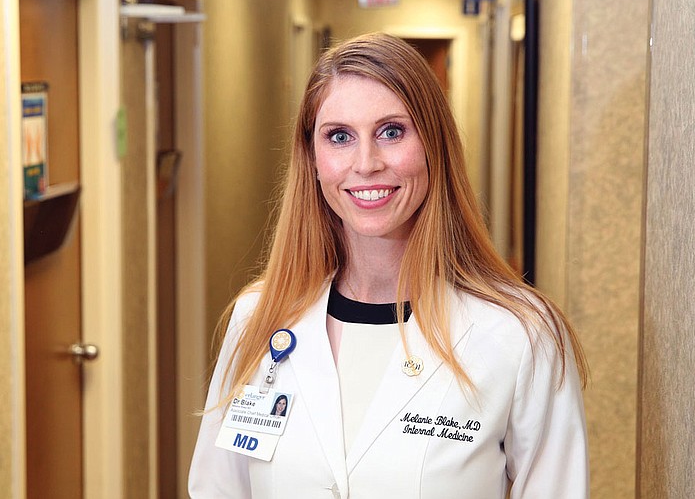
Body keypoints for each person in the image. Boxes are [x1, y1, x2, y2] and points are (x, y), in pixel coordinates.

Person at [189, 33, 589, 498]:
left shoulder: (520, 334)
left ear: (433, 145)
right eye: (339, 137)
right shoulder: (259, 319)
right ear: (314, 160)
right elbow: (218, 490)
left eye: (391, 131)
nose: (366, 163)